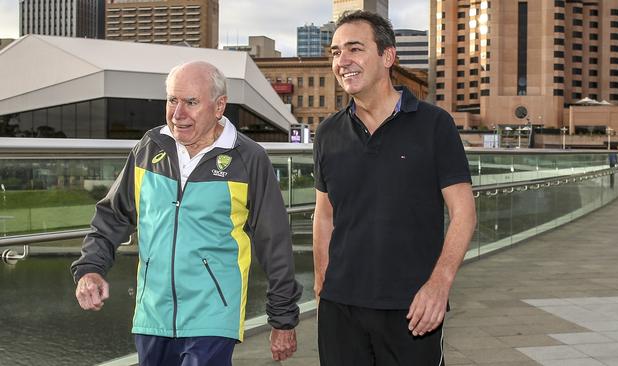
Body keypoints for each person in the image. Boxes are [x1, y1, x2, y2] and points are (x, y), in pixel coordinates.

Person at [71, 61, 302, 365]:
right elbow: (113, 215)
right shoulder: (149, 148)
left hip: (214, 315)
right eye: (172, 100)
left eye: (191, 102)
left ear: (219, 106)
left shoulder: (248, 158)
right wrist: (91, 268)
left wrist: (283, 319)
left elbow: (274, 241)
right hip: (152, 313)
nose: (178, 114)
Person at [313, 11, 477, 366]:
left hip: (412, 308)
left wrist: (440, 284)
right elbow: (324, 215)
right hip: (341, 309)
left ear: (387, 56)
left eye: (355, 49)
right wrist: (322, 282)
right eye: (336, 52)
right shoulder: (327, 133)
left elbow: (464, 213)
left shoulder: (435, 125)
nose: (343, 61)